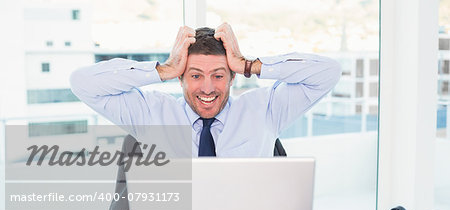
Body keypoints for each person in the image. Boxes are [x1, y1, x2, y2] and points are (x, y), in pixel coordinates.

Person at [70, 23, 341, 157]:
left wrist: (249, 65)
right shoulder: (151, 114)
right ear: (181, 78)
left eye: (219, 75)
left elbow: (328, 72)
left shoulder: (264, 110)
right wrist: (162, 69)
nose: (208, 88)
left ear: (233, 78)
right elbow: (82, 82)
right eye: (195, 75)